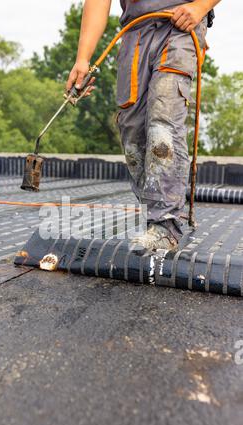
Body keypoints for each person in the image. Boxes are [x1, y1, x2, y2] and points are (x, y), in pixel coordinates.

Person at [66, 0, 221, 250]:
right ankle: (155, 212)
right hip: (135, 33)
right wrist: (82, 59)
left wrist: (201, 7)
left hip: (179, 25)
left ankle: (165, 224)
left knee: (163, 124)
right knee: (133, 134)